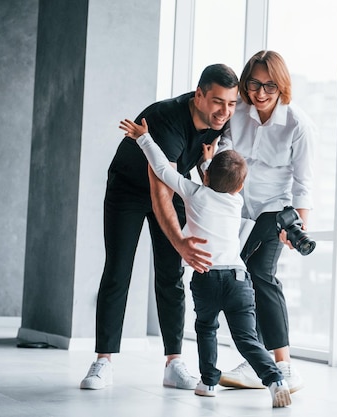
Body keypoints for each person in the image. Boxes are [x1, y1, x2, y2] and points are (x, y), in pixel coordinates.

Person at [80, 64, 239, 390]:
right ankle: (103, 361)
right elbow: (159, 190)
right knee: (118, 270)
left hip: (173, 188)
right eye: (218, 102)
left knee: (171, 275)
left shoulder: (221, 123)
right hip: (129, 188)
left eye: (232, 103)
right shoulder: (167, 119)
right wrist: (180, 240)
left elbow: (207, 175)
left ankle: (173, 363)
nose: (225, 111)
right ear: (199, 95)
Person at [119, 118, 292, 407]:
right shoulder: (236, 202)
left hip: (206, 277)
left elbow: (163, 170)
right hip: (238, 279)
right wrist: (210, 163)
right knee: (246, 338)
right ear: (240, 187)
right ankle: (275, 378)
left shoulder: (195, 193)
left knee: (206, 329)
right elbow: (218, 183)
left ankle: (209, 382)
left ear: (207, 178)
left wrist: (144, 138)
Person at [218, 50, 316, 394]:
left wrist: (298, 227)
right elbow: (224, 154)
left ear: (282, 85)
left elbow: (303, 182)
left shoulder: (297, 124)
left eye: (269, 86)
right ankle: (255, 359)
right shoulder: (238, 114)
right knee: (240, 278)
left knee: (262, 273)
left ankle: (284, 364)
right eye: (254, 84)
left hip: (276, 209)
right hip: (237, 209)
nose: (260, 93)